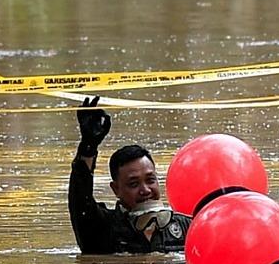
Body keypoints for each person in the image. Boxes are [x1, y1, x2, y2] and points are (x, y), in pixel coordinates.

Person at [68, 97, 191, 254]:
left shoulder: (186, 227)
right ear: (116, 189)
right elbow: (80, 200)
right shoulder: (102, 228)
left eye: (150, 180)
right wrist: (88, 147)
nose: (145, 190)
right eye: (133, 184)